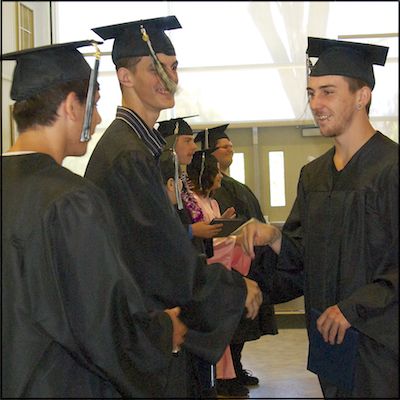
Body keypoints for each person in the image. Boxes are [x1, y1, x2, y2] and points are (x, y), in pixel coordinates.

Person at [84, 17, 263, 398]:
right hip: (145, 334)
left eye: (173, 66)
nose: (169, 78)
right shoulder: (126, 155)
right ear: (125, 77)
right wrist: (232, 289)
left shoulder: (143, 148)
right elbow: (159, 256)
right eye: (155, 68)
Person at [1, 40, 187, 399]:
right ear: (72, 106)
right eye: (95, 104)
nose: (98, 119)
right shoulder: (71, 199)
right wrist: (164, 330)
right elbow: (102, 322)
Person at [240, 37, 398, 398]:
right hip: (331, 343)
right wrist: (275, 238)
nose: (315, 104)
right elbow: (304, 262)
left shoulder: (392, 169)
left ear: (363, 96)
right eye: (311, 93)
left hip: (382, 345)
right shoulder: (313, 177)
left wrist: (352, 309)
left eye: (327, 92)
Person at [196, 124, 279, 390]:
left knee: (243, 321)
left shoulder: (230, 186)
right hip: (225, 264)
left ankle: (236, 368)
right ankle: (227, 375)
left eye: (232, 146)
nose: (230, 149)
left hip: (243, 258)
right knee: (231, 322)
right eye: (224, 146)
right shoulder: (205, 192)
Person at [187, 149, 253, 397]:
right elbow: (203, 243)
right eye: (216, 173)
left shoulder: (212, 202)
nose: (220, 178)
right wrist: (230, 240)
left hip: (220, 265)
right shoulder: (191, 202)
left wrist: (223, 222)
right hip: (207, 269)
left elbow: (214, 232)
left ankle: (226, 376)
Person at [157, 116, 224, 257]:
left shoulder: (182, 178)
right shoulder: (156, 177)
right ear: (169, 143)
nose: (194, 147)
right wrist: (190, 230)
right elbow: (156, 227)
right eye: (187, 141)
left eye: (193, 140)